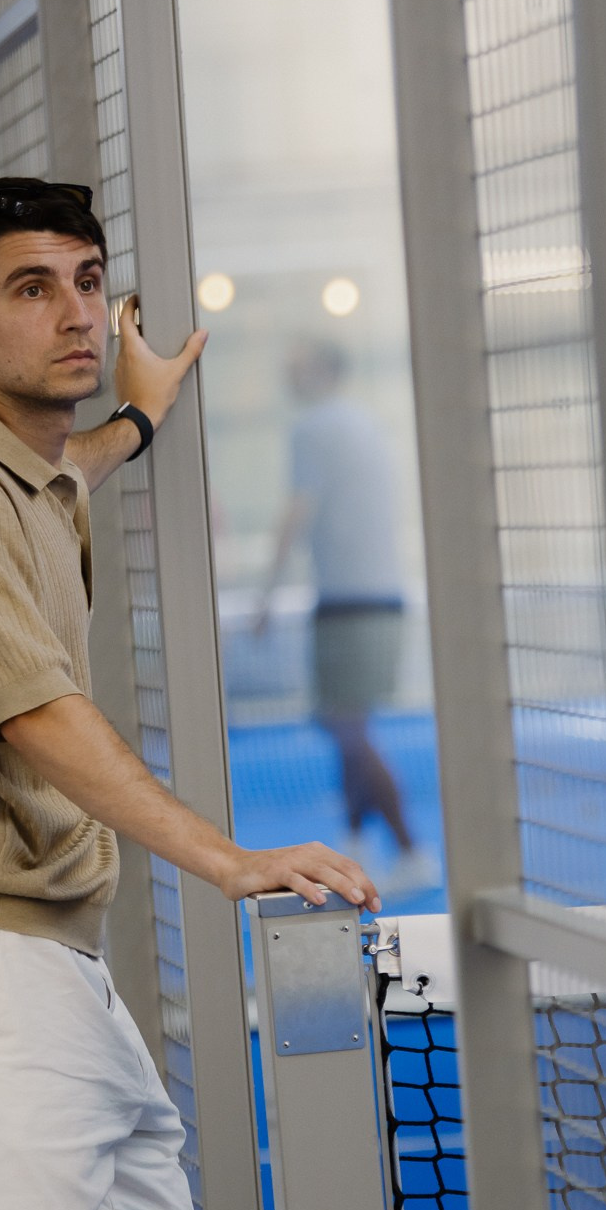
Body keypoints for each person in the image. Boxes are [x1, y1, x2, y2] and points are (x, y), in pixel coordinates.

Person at [0, 177, 378, 1210]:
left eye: (87, 283)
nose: (77, 314)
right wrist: (226, 860)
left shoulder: (17, 473)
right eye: (31, 290)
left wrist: (135, 419)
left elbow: (70, 468)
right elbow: (39, 715)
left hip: (44, 967)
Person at [255, 340, 436, 893]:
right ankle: (358, 845)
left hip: (350, 603)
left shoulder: (313, 428)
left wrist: (267, 593)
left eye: (299, 361)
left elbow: (298, 511)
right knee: (345, 727)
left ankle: (409, 850)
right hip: (376, 597)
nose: (288, 367)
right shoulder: (364, 425)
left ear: (324, 369)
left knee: (349, 729)